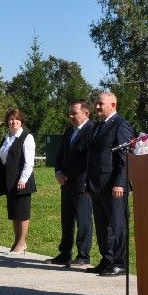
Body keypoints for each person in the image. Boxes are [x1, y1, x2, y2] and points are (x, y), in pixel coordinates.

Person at [86, 91, 134, 276]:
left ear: (113, 105)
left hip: (114, 186)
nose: (97, 106)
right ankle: (107, 259)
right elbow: (93, 157)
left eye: (101, 103)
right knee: (102, 225)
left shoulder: (121, 125)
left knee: (117, 225)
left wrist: (120, 182)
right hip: (97, 185)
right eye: (96, 103)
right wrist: (88, 183)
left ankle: (120, 263)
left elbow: (124, 157)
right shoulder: (98, 126)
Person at [51, 101, 94, 267]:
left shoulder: (92, 131)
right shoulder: (69, 131)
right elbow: (60, 154)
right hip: (66, 183)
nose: (70, 116)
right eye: (69, 113)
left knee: (83, 220)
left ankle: (83, 255)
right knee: (66, 220)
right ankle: (65, 253)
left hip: (82, 183)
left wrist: (84, 180)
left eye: (74, 113)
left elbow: (89, 160)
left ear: (85, 114)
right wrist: (59, 172)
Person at [0, 109, 38, 254]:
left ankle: (22, 242)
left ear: (21, 122)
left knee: (23, 213)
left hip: (22, 182)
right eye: (11, 119)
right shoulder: (7, 137)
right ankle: (16, 241)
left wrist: (23, 179)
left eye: (16, 119)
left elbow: (29, 162)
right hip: (10, 182)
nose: (13, 122)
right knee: (14, 213)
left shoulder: (27, 137)